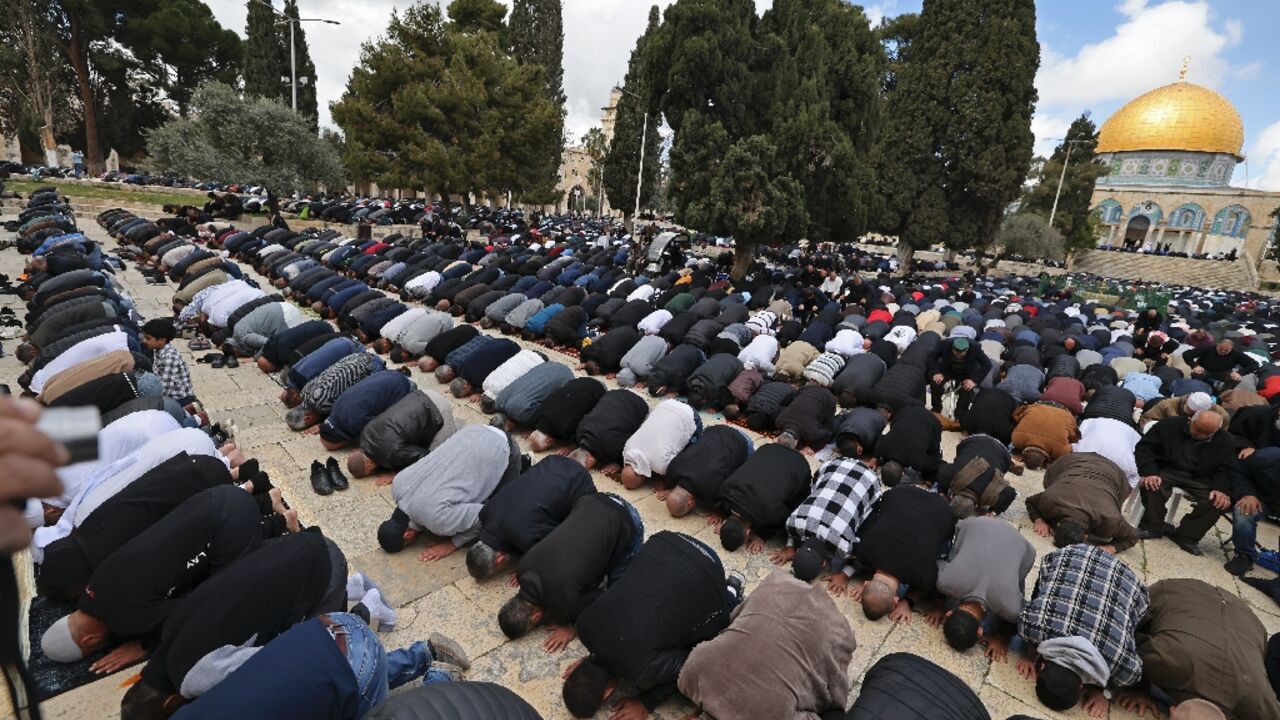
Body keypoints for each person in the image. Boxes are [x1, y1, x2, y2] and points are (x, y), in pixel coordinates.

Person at [41, 485, 266, 674]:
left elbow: (192, 612)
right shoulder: (94, 584)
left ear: (90, 640)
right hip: (216, 497)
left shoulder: (124, 618)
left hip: (233, 520)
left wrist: (145, 645)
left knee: (227, 605)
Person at [120, 531, 348, 718]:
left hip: (324, 570)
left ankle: (365, 608)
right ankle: (352, 593)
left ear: (170, 704)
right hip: (294, 547)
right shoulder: (170, 634)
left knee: (327, 658)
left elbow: (277, 660)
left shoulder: (195, 676)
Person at [562, 531, 743, 719]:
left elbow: (690, 663)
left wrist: (646, 702)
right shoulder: (583, 626)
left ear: (607, 692)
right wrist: (592, 660)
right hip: (665, 542)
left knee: (712, 635)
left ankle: (731, 591)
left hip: (707, 567)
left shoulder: (643, 669)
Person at [168, 615, 470, 720]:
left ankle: (441, 678)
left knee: (347, 687)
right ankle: (425, 652)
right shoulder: (185, 709)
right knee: (330, 678)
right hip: (333, 627)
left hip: (356, 671)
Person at [677, 571, 855, 720]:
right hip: (778, 588)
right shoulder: (690, 675)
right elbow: (733, 621)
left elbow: (830, 707)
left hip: (830, 626)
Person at [497, 492, 643, 651]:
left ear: (536, 617)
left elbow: (602, 602)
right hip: (594, 499)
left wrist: (573, 628)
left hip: (628, 520)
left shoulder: (566, 601)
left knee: (617, 593)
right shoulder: (522, 568)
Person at [1116, 578, 1280, 720]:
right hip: (1181, 592)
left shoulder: (1261, 704)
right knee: (1134, 612)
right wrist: (1140, 688)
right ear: (1172, 711)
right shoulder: (1166, 659)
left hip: (1246, 617)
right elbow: (1124, 642)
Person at [1016, 544, 1148, 716]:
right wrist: (1103, 692)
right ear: (1041, 667)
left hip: (1128, 581)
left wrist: (1105, 692)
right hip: (1074, 553)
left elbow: (1136, 672)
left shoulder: (1121, 665)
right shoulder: (1033, 626)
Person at [378, 425, 523, 562]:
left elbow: (485, 515)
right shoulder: (397, 484)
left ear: (407, 534)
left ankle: (525, 466)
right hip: (475, 430)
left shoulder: (438, 520)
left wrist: (453, 544)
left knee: (502, 513)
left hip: (504, 447)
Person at [466, 455, 596, 581]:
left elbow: (555, 542)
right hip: (551, 462)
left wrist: (527, 566)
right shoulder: (485, 514)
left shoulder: (526, 537)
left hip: (579, 481)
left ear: (499, 559)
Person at [927, 516, 1034, 658]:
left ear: (980, 631)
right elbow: (937, 564)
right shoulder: (945, 582)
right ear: (948, 614)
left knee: (1014, 586)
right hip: (977, 523)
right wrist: (937, 604)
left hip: (1022, 545)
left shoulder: (1011, 609)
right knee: (954, 560)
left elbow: (1019, 619)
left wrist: (1001, 639)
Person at [849, 478, 955, 618]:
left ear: (895, 600)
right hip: (902, 492)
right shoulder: (864, 551)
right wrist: (873, 593)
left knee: (941, 551)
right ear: (866, 584)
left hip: (943, 508)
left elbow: (925, 587)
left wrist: (909, 601)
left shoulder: (923, 575)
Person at [1135, 412, 1235, 555]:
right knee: (1152, 484)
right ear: (1190, 420)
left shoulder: (1226, 441)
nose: (1201, 435)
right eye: (1198, 429)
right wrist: (1150, 471)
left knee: (1218, 502)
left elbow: (1226, 469)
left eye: (1208, 433)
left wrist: (1220, 489)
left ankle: (1187, 536)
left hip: (1201, 478)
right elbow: (1145, 448)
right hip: (1167, 468)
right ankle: (1152, 526)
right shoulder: (1170, 425)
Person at [772, 454, 881, 582]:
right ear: (824, 563)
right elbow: (792, 532)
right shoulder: (794, 522)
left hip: (870, 481)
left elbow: (862, 554)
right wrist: (789, 546)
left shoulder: (844, 546)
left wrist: (844, 575)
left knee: (867, 521)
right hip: (833, 465)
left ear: (824, 563)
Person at [1026, 452, 1139, 552]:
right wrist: (1039, 520)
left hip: (1113, 473)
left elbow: (1133, 537)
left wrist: (1110, 548)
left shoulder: (1110, 519)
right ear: (1085, 536)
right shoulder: (1051, 498)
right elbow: (1031, 501)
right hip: (1073, 460)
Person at [716, 443, 812, 553]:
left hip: (800, 464)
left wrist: (762, 535)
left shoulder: (769, 512)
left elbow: (785, 519)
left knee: (797, 506)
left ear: (748, 532)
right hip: (769, 448)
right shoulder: (725, 492)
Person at [346, 388, 458, 480]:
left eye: (370, 472)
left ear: (369, 465)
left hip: (438, 410)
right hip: (422, 394)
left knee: (434, 458)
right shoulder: (365, 433)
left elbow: (424, 456)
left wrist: (396, 474)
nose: (373, 472)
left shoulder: (392, 452)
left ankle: (456, 429)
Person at [662, 425, 753, 518]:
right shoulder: (672, 471)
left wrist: (720, 512)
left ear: (690, 503)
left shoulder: (711, 492)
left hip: (742, 440)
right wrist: (672, 492)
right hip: (714, 430)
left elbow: (729, 498)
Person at [1223, 446, 1280, 576]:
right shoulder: (1267, 458)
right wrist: (1248, 493)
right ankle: (1245, 555)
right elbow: (1238, 469)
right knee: (1243, 511)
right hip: (1262, 498)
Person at [619, 399, 699, 490]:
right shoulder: (626, 449)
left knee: (691, 453)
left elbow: (681, 467)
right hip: (666, 403)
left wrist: (666, 482)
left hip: (690, 415)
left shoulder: (661, 466)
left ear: (643, 477)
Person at [938, 434, 1018, 517]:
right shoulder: (951, 477)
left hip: (1003, 454)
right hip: (973, 440)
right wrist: (942, 493)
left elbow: (1011, 493)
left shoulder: (991, 494)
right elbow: (941, 471)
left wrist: (993, 513)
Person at [874, 404, 942, 485]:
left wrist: (928, 482)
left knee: (933, 451)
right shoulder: (881, 447)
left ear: (903, 473)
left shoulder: (918, 461)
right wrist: (874, 458)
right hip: (905, 412)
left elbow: (935, 462)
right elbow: (878, 441)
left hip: (933, 422)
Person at [928, 336, 992, 421]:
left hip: (966, 373)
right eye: (955, 352)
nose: (958, 355)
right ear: (952, 348)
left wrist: (974, 381)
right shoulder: (945, 344)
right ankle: (936, 409)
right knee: (935, 382)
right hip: (948, 370)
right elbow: (931, 358)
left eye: (961, 353)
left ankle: (960, 415)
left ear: (967, 350)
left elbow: (987, 364)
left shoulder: (975, 347)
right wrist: (936, 372)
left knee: (968, 389)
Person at [1011, 400, 1079, 470]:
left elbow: (1074, 438)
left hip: (1064, 413)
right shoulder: (1017, 440)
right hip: (1040, 405)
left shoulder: (1060, 451)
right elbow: (1017, 416)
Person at [141, 319, 195, 406]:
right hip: (167, 392)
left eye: (148, 338)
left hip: (180, 399)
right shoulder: (157, 349)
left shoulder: (170, 358)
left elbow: (164, 389)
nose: (144, 341)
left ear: (162, 340)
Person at [1184, 338, 1260, 388]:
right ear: (1217, 345)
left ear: (1231, 349)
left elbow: (1254, 364)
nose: (1223, 352)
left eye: (1226, 350)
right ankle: (1195, 391)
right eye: (1221, 349)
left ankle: (1222, 396)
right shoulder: (1208, 348)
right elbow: (1187, 354)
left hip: (1223, 373)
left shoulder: (1236, 353)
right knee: (1197, 373)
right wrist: (1194, 365)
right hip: (1205, 370)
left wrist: (1240, 372)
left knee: (1235, 378)